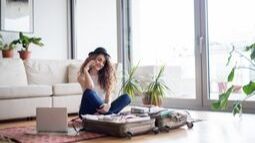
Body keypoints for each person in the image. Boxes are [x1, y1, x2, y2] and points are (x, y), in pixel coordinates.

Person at [78, 47, 131, 118]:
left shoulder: (105, 78)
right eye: (99, 60)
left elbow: (108, 96)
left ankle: (103, 114)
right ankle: (109, 114)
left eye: (103, 62)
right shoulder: (82, 76)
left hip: (102, 109)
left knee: (127, 97)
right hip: (87, 110)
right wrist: (85, 69)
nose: (101, 64)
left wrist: (108, 105)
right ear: (92, 59)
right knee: (89, 92)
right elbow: (90, 87)